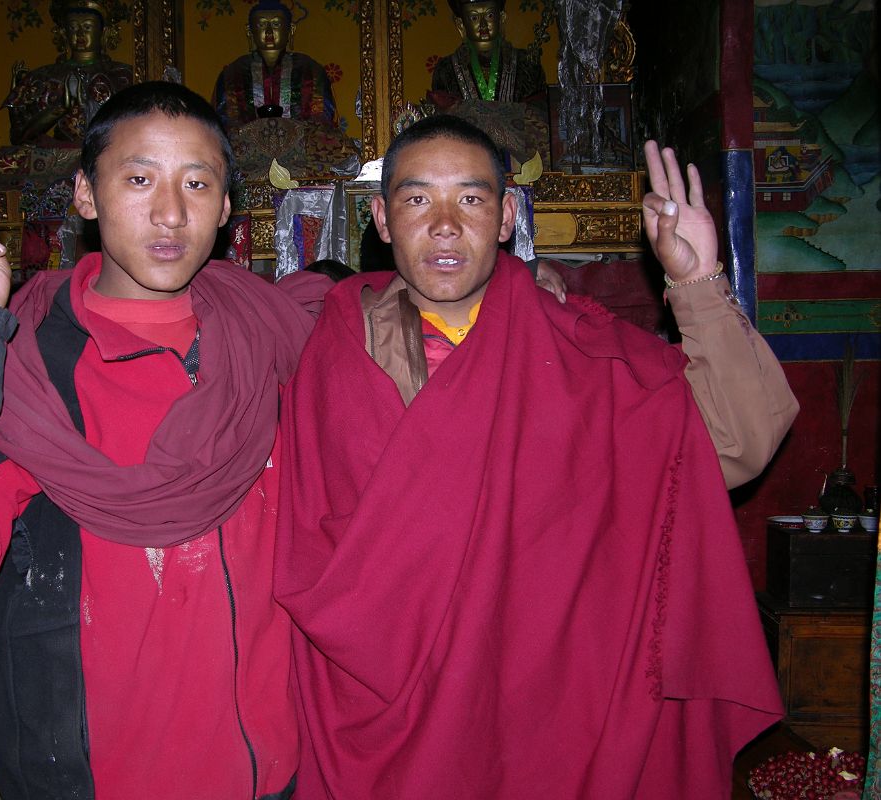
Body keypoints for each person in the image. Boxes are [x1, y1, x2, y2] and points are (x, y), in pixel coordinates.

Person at [273, 116, 798, 798]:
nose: (442, 224)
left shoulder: (577, 349)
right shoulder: (332, 353)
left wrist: (696, 283)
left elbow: (735, 442)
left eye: (470, 198)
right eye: (414, 199)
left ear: (505, 217)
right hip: (371, 717)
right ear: (378, 216)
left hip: (544, 714)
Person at [0, 81, 326, 800]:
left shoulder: (270, 338)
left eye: (197, 183)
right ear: (85, 195)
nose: (170, 212)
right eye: (138, 179)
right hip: (89, 771)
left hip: (264, 768)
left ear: (227, 209)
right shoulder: (31, 364)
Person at [1, 0, 132, 147]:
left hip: (110, 150)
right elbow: (19, 137)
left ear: (103, 31)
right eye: (73, 27)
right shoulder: (44, 76)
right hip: (60, 156)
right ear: (64, 33)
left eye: (87, 27)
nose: (80, 33)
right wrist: (59, 109)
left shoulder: (123, 75)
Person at [213, 0, 339, 130]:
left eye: (276, 24)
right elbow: (225, 122)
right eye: (261, 24)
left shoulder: (312, 71)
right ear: (249, 30)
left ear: (291, 29)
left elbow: (321, 120)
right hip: (247, 146)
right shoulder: (233, 73)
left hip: (302, 146)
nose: (268, 32)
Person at [430, 0, 546, 104]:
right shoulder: (446, 70)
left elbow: (539, 116)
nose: (483, 26)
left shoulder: (527, 65)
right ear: (460, 24)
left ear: (501, 18)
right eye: (474, 18)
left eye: (490, 15)